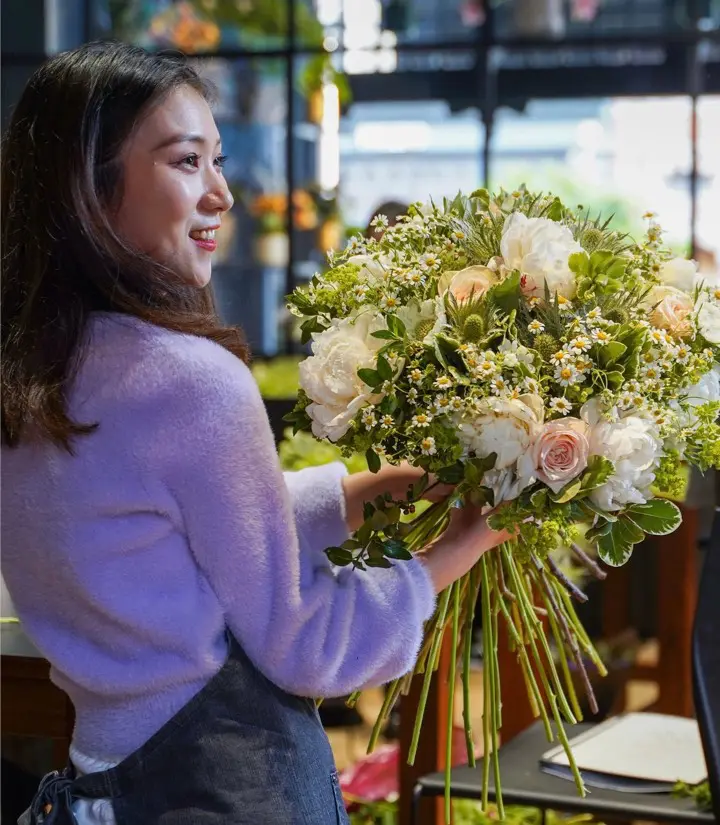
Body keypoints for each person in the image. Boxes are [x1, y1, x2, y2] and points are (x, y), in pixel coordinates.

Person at [1, 42, 509, 825]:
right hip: (228, 787)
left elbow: (146, 537)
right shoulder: (192, 380)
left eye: (218, 160)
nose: (223, 194)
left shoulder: (30, 376)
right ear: (90, 191)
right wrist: (457, 549)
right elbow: (304, 645)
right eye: (186, 161)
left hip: (99, 786)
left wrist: (343, 497)